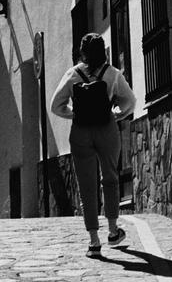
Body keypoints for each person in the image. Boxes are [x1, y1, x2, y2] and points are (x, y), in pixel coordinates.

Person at [49, 32, 136, 257]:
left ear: (82, 52)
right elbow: (130, 102)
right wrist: (115, 115)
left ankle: (94, 241)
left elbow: (56, 106)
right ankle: (114, 230)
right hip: (106, 128)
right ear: (103, 50)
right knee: (110, 178)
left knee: (86, 185)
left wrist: (75, 113)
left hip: (80, 131)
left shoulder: (72, 74)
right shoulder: (113, 74)